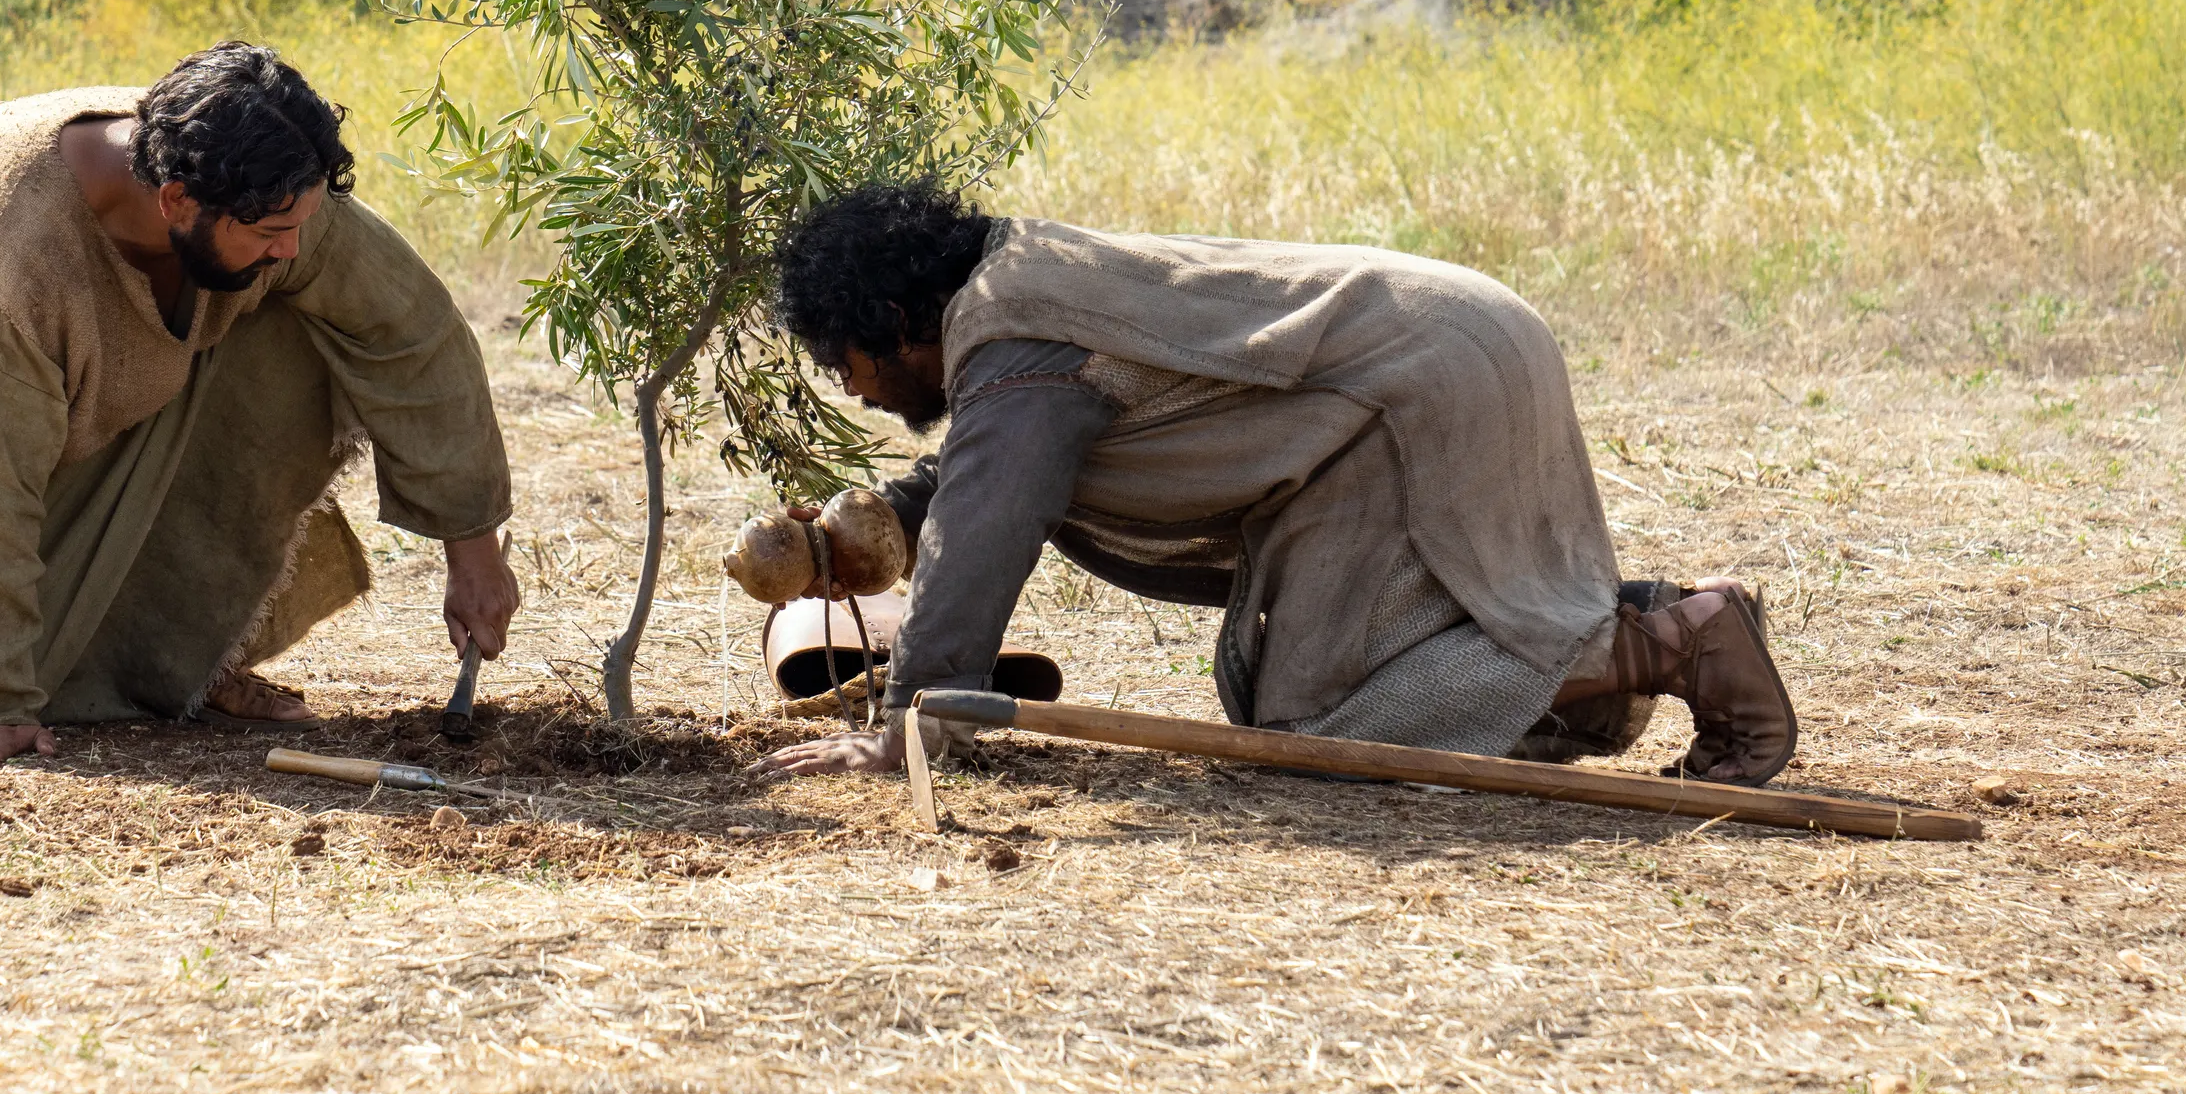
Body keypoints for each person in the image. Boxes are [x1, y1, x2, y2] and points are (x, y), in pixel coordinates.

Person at [752, 183, 1796, 785]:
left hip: (1413, 389)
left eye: (849, 366)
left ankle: (1679, 642)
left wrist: (908, 725)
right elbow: (992, 459)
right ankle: (1650, 630)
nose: (857, 390)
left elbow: (991, 514)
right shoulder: (1014, 293)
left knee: (1323, 734)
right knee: (1284, 703)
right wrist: (877, 520)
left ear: (893, 325)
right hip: (1419, 365)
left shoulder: (1010, 334)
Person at [0, 42, 519, 767]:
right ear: (176, 202)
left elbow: (409, 325)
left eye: (299, 226)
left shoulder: (261, 187)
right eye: (272, 234)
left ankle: (192, 655)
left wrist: (473, 548)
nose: (293, 248)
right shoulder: (6, 267)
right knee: (42, 671)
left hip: (95, 379)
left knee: (309, 321)